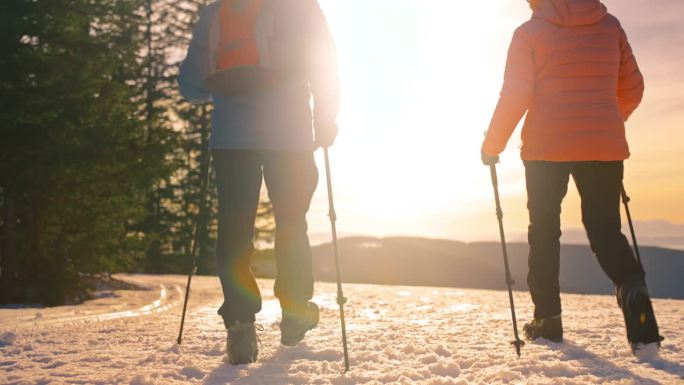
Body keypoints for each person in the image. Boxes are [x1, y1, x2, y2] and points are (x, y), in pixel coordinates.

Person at [481, 0, 663, 350]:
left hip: (546, 146)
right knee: (605, 230)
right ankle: (639, 313)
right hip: (603, 145)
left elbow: (516, 93)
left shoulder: (529, 33)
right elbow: (633, 89)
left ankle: (547, 320)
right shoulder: (610, 27)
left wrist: (492, 145)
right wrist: (604, 121)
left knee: (545, 230)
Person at [178, 0, 340, 365]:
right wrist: (326, 120)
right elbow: (325, 65)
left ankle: (239, 323)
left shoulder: (217, 12)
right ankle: (296, 309)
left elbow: (191, 86)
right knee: (291, 223)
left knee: (235, 230)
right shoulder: (301, 7)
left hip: (232, 141)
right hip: (291, 138)